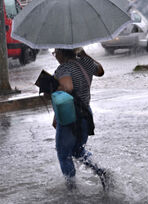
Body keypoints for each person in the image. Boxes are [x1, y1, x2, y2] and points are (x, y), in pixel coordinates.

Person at [52, 48, 108, 190]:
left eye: (55, 52)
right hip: (85, 114)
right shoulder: (86, 63)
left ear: (61, 53)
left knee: (64, 154)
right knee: (78, 150)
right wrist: (84, 54)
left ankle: (71, 189)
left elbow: (67, 88)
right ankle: (101, 171)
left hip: (70, 117)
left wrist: (53, 87)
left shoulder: (64, 68)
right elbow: (100, 71)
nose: (55, 55)